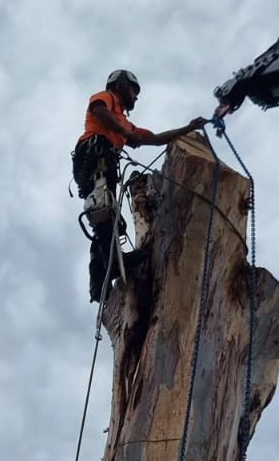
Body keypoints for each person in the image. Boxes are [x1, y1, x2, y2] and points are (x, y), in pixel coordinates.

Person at [72, 70, 206, 302]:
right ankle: (113, 262)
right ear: (121, 85)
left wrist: (187, 128)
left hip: (104, 161)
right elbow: (99, 112)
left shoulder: (125, 122)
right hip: (94, 156)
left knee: (106, 215)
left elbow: (154, 138)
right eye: (133, 90)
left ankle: (99, 279)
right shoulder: (106, 99)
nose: (135, 96)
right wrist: (124, 133)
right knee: (104, 208)